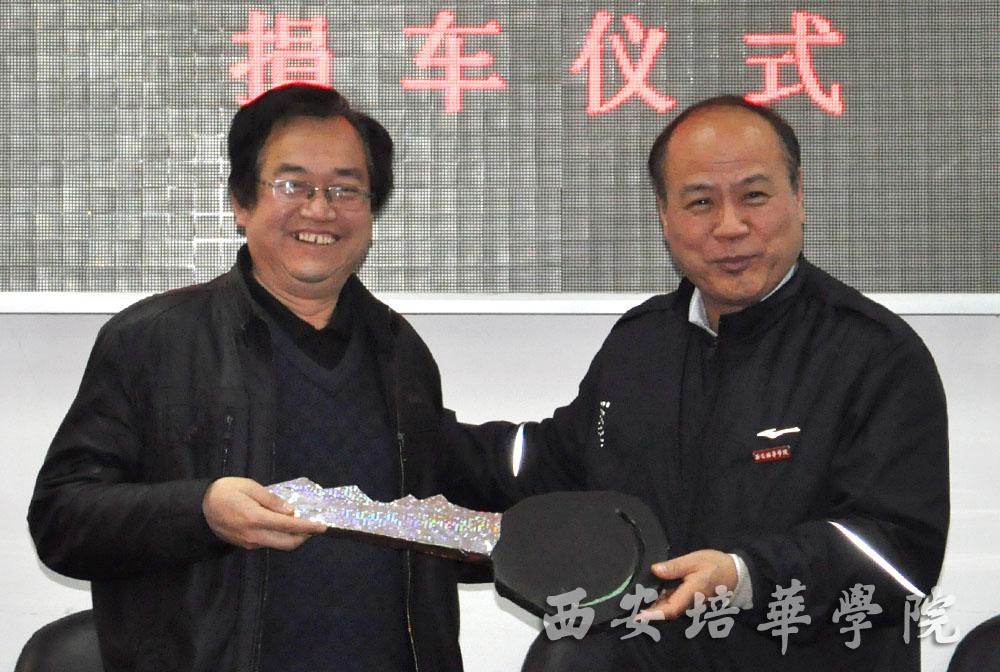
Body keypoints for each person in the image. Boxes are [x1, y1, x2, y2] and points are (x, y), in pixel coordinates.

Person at [27, 84, 505, 672]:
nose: (320, 209)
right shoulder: (152, 340)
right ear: (241, 202)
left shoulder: (399, 349)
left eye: (346, 189)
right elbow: (61, 520)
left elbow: (426, 517)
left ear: (372, 212)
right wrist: (201, 510)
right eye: (292, 185)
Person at [477, 96, 949, 670]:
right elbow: (547, 464)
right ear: (664, 216)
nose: (730, 226)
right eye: (701, 202)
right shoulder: (640, 345)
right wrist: (409, 439)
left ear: (799, 195)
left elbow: (899, 552)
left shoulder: (874, 353)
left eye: (754, 196)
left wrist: (743, 576)